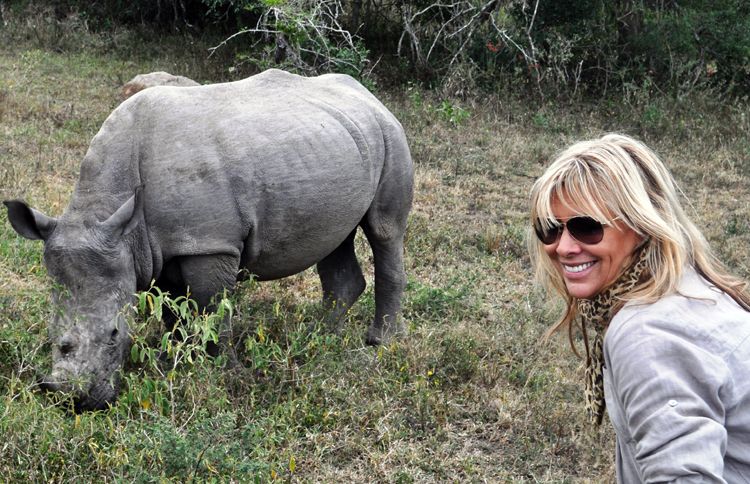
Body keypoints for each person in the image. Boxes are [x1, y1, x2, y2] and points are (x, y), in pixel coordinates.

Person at [528, 133, 750, 482]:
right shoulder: (689, 288)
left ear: (641, 225)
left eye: (586, 227)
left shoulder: (645, 332)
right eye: (550, 229)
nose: (564, 247)